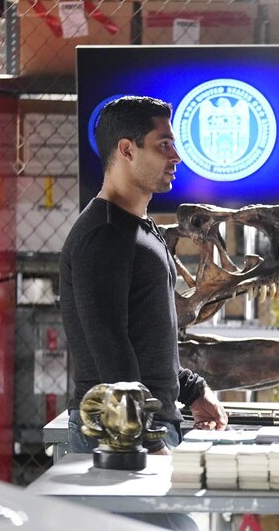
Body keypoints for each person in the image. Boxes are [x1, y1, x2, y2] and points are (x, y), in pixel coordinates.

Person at [60, 95, 228, 461]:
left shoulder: (139, 229)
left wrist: (192, 390)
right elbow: (110, 349)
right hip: (119, 434)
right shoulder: (103, 235)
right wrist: (146, 441)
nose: (176, 157)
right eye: (163, 145)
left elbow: (147, 338)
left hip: (147, 426)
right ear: (127, 150)